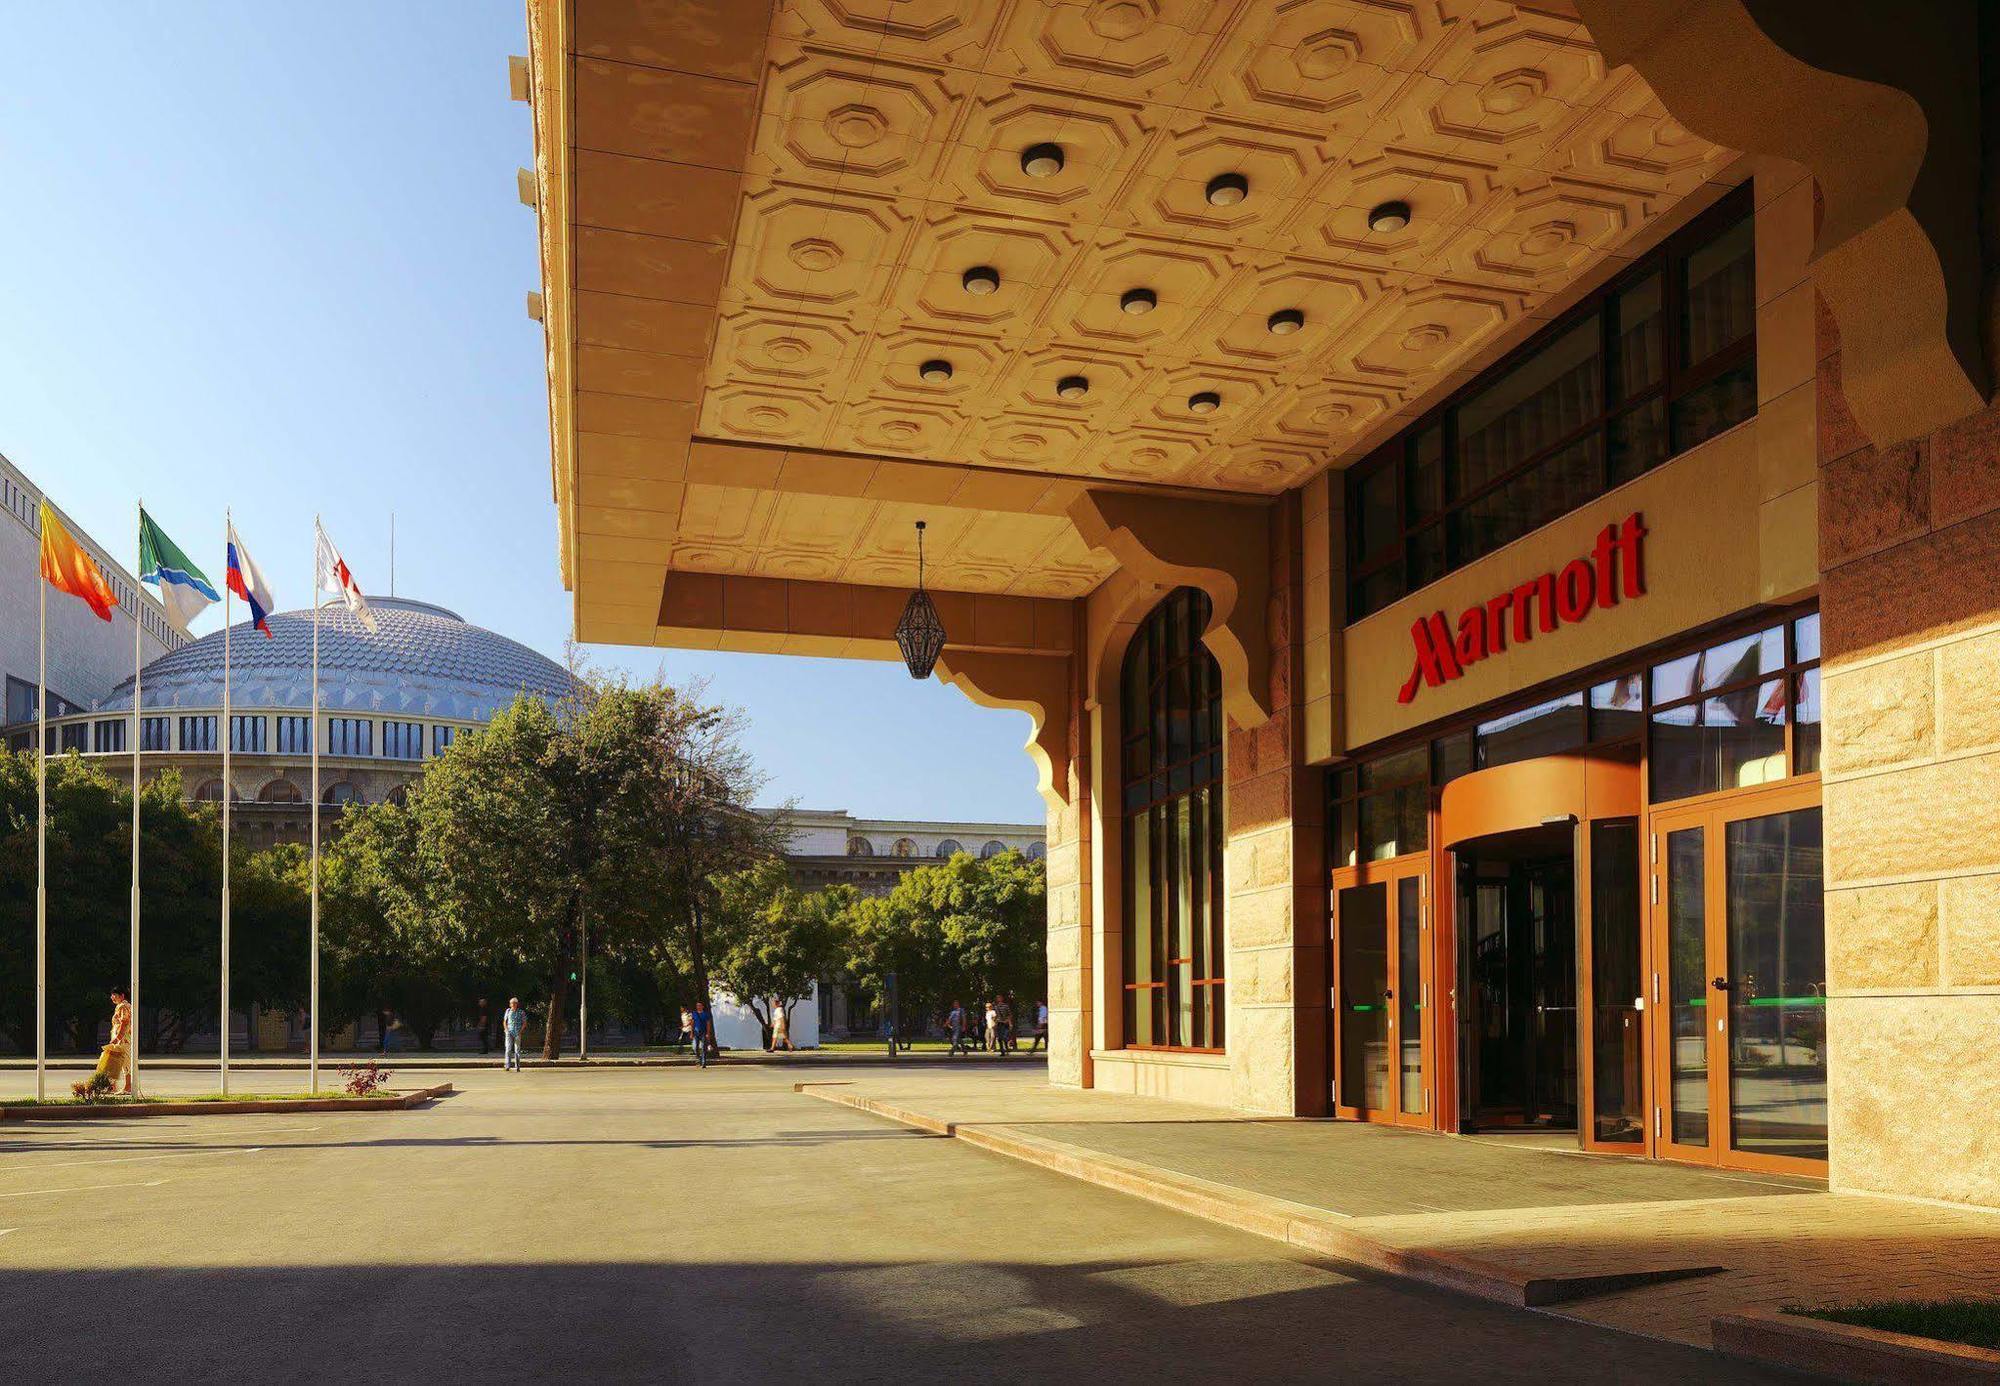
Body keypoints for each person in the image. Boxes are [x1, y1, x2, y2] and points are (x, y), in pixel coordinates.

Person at [92, 988, 133, 1093]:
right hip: (121, 1039)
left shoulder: (123, 1006)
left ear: (122, 996)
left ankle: (128, 1087)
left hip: (123, 1040)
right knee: (113, 1061)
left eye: (114, 995)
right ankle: (112, 1086)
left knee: (124, 1062)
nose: (112, 997)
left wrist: (118, 1038)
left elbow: (124, 1022)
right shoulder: (123, 1006)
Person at [502, 997, 526, 1071]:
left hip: (517, 1033)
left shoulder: (521, 1012)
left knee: (517, 1050)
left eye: (515, 1003)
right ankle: (507, 1065)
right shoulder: (508, 1011)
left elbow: (524, 1023)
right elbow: (504, 1021)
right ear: (510, 1004)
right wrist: (506, 1030)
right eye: (512, 1003)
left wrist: (520, 1031)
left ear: (517, 1004)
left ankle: (517, 1066)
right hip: (509, 1032)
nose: (513, 1004)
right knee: (508, 1049)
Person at [690, 1000, 713, 1069]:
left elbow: (708, 1024)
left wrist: (708, 1033)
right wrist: (691, 1033)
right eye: (697, 1006)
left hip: (704, 1033)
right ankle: (698, 1058)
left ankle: (704, 1063)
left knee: (703, 1048)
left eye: (700, 1005)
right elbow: (692, 1024)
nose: (698, 1007)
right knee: (695, 1048)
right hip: (696, 1033)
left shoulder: (706, 1014)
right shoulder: (694, 1013)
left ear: (702, 1006)